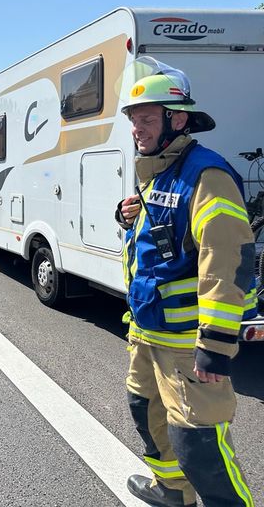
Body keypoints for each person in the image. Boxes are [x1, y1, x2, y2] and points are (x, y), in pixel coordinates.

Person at [115, 59, 256, 507]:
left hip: (185, 343)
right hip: (147, 334)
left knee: (200, 445)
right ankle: (172, 492)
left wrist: (214, 343)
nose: (137, 128)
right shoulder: (158, 171)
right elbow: (159, 242)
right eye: (134, 119)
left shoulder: (206, 175)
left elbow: (227, 258)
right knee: (149, 417)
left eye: (147, 119)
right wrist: (126, 217)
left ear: (178, 120)